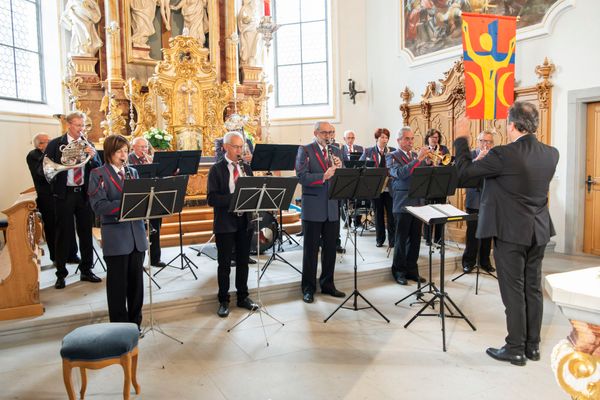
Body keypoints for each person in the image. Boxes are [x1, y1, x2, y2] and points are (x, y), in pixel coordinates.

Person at [454, 101, 559, 366]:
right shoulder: (551, 153)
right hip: (538, 231)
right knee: (532, 289)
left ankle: (515, 348)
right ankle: (532, 346)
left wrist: (461, 139)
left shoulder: (503, 154)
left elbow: (464, 174)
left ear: (511, 125)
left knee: (513, 291)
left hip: (511, 232)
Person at [88, 135, 147, 329]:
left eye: (125, 151)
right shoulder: (98, 173)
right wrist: (127, 204)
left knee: (137, 285)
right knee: (117, 286)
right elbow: (99, 206)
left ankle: (135, 324)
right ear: (109, 153)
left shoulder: (133, 173)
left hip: (137, 235)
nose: (124, 155)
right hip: (116, 236)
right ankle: (120, 328)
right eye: (119, 151)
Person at [45, 111, 102, 289]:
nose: (81, 129)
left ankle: (86, 270)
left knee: (86, 233)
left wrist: (93, 157)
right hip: (64, 194)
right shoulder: (56, 144)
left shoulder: (88, 144)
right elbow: (45, 169)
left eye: (83, 125)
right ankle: (61, 273)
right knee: (63, 234)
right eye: (78, 125)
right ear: (69, 125)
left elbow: (98, 168)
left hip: (83, 194)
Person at [207, 131, 258, 317]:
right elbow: (211, 199)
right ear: (226, 147)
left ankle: (243, 296)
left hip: (245, 221)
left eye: (241, 147)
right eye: (236, 147)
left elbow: (253, 191)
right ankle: (223, 300)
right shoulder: (217, 169)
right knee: (225, 264)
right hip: (225, 223)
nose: (239, 150)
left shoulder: (246, 168)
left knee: (244, 261)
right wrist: (235, 199)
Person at [295, 121, 346, 303]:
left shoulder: (337, 151)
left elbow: (343, 178)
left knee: (331, 249)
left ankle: (328, 284)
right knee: (311, 250)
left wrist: (340, 169)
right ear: (316, 133)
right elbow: (301, 176)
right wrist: (323, 176)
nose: (328, 136)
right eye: (325, 133)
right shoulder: (306, 150)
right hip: (313, 207)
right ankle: (308, 288)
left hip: (332, 207)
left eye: (331, 132)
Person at [26, 133, 80, 266]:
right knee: (52, 228)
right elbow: (43, 174)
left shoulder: (53, 153)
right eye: (47, 141)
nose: (50, 143)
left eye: (50, 140)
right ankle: (56, 257)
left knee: (68, 225)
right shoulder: (33, 155)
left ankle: (72, 254)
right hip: (47, 198)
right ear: (39, 145)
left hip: (61, 194)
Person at [387, 127, 429, 285]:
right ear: (398, 141)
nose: (410, 142)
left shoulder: (414, 155)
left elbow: (423, 175)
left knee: (416, 239)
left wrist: (427, 162)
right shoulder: (391, 156)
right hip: (402, 203)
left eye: (412, 139)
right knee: (401, 239)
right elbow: (400, 174)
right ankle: (399, 271)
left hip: (417, 202)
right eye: (407, 139)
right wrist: (418, 160)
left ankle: (412, 270)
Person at [128, 137, 166, 270]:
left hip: (153, 197)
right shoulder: (129, 159)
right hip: (139, 198)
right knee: (139, 230)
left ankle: (155, 258)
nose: (144, 150)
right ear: (133, 147)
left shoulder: (150, 159)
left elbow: (160, 177)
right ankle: (139, 261)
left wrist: (155, 166)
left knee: (156, 228)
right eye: (141, 147)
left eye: (145, 147)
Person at [462, 130, 495, 274]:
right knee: (472, 233)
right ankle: (468, 261)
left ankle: (485, 261)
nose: (485, 144)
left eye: (489, 141)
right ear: (477, 141)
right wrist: (478, 160)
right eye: (483, 141)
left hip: (490, 199)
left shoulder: (495, 156)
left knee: (487, 234)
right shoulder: (470, 155)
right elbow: (463, 174)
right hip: (474, 199)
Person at [360, 128, 396, 247]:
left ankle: (392, 241)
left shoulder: (392, 151)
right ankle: (379, 240)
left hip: (389, 188)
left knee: (391, 216)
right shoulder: (369, 151)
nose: (384, 140)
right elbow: (361, 166)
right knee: (378, 215)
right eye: (382, 137)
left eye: (386, 137)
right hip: (375, 189)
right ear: (377, 138)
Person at [422, 128, 451, 246]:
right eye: (433, 137)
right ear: (428, 138)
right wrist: (426, 163)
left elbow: (448, 162)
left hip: (440, 184)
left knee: (440, 211)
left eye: (437, 137)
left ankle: (439, 239)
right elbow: (419, 165)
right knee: (428, 211)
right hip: (428, 184)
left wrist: (441, 163)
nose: (435, 139)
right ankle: (428, 238)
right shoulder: (424, 150)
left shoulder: (443, 149)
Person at [238, 0, 261, 66]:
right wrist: (248, 22)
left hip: (255, 32)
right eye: (255, 2)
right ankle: (248, 60)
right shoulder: (245, 8)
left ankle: (253, 59)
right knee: (247, 51)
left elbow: (258, 23)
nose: (256, 4)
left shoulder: (256, 11)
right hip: (248, 32)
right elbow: (241, 21)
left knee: (256, 44)